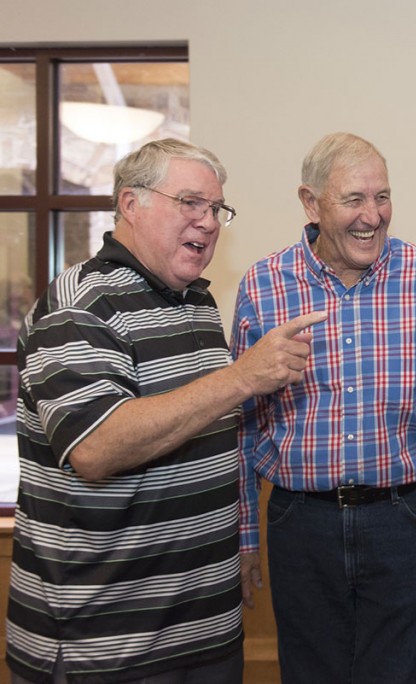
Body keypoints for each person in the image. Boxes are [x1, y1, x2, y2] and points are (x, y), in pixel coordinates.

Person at [7, 139, 324, 683]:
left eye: (216, 209)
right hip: (101, 644)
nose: (208, 222)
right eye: (190, 203)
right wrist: (243, 376)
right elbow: (96, 448)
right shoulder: (78, 305)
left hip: (205, 635)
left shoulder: (197, 303)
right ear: (131, 204)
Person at [231, 132, 416, 683]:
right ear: (310, 202)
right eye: (354, 200)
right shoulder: (263, 284)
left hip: (408, 519)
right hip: (301, 523)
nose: (373, 216)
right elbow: (245, 427)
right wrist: (246, 535)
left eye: (383, 197)